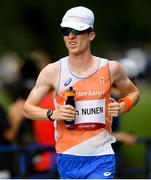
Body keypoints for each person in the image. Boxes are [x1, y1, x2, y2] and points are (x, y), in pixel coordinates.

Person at [23, 6, 140, 179]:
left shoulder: (111, 68)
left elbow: (134, 93)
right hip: (68, 156)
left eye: (77, 31)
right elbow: (27, 108)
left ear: (91, 35)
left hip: (102, 156)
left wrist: (124, 105)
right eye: (66, 31)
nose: (71, 36)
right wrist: (53, 113)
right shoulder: (53, 71)